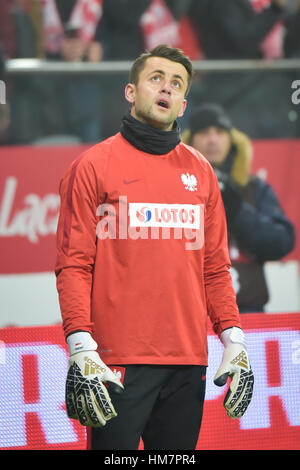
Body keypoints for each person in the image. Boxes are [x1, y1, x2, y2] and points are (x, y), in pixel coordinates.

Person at [55, 45, 254, 451]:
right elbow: (74, 265)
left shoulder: (201, 171)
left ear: (183, 105)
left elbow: (214, 269)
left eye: (176, 83)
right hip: (114, 363)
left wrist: (234, 339)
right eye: (156, 78)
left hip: (187, 364)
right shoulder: (93, 166)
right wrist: (80, 343)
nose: (166, 88)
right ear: (131, 91)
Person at [183, 104, 295, 313]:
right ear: (190, 142)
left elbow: (282, 242)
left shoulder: (253, 188)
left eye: (220, 132)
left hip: (249, 314)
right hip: (192, 316)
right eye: (204, 132)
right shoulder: (175, 190)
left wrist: (238, 211)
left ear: (232, 141)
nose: (213, 139)